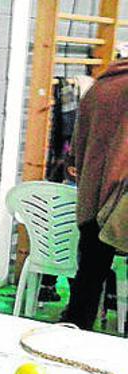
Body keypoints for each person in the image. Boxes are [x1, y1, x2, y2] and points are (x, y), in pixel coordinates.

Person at [61, 56, 128, 330]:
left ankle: (72, 337)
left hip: (93, 192)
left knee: (88, 274)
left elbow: (77, 143)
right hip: (122, 196)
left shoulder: (100, 86)